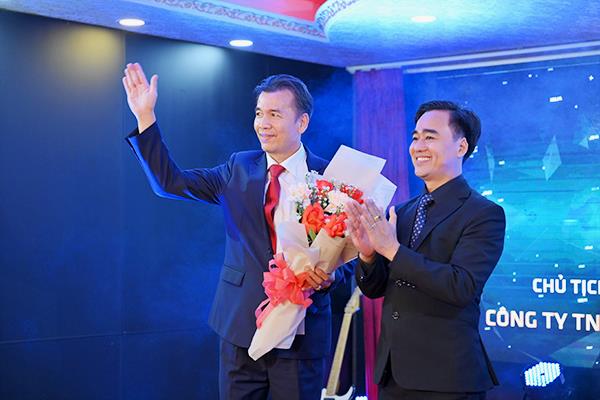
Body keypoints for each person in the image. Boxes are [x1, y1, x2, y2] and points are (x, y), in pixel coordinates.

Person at [122, 63, 344, 400]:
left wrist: (331, 277)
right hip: (240, 327)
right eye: (259, 113)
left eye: (274, 114)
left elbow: (348, 251)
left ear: (302, 122)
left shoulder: (330, 178)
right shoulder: (237, 167)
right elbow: (170, 182)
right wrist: (145, 117)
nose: (263, 123)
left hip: (301, 331)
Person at [345, 101, 505, 400]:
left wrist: (392, 250)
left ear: (461, 147)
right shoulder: (403, 212)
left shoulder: (483, 213)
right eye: (415, 137)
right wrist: (368, 255)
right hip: (393, 374)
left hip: (446, 377)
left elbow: (461, 286)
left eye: (430, 137)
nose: (418, 146)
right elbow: (375, 289)